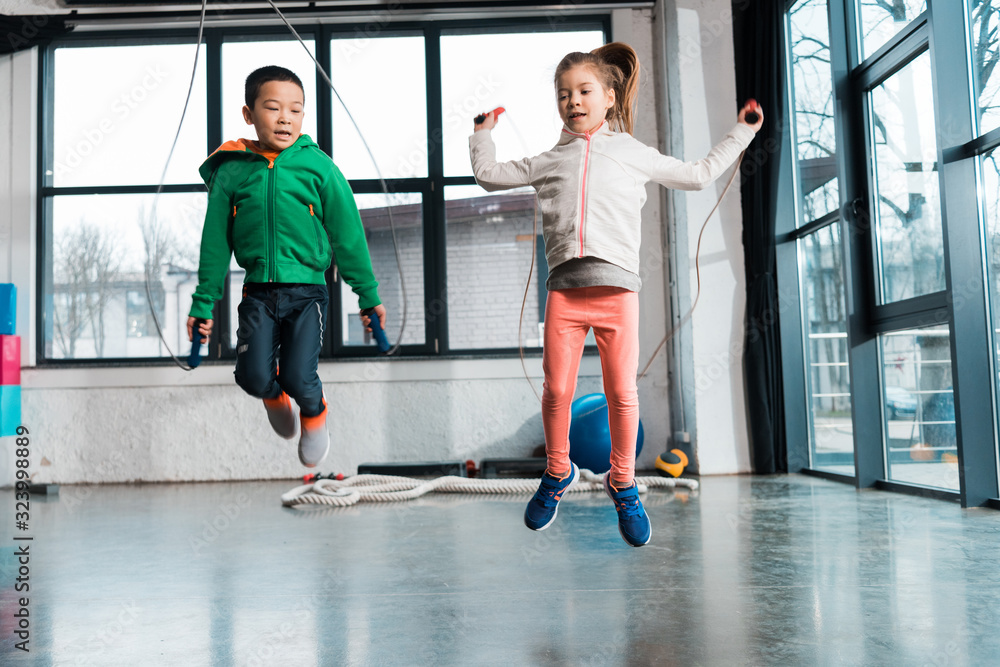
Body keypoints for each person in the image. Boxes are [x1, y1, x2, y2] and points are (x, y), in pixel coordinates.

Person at [469, 43, 762, 547]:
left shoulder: (631, 152)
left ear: (608, 97)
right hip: (565, 294)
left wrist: (744, 131)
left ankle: (623, 481)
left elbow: (696, 174)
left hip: (618, 294)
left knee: (622, 394)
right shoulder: (549, 160)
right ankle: (557, 471)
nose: (573, 101)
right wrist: (482, 134)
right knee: (556, 392)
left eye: (584, 91)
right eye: (564, 94)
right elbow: (488, 176)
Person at [187, 65, 387, 468]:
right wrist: (202, 303)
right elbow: (215, 243)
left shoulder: (319, 167)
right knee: (251, 378)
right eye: (273, 108)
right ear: (249, 114)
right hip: (258, 293)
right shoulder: (231, 171)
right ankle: (274, 397)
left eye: (295, 110)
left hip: (307, 292)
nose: (285, 119)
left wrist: (368, 296)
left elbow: (348, 237)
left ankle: (314, 411)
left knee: (299, 375)